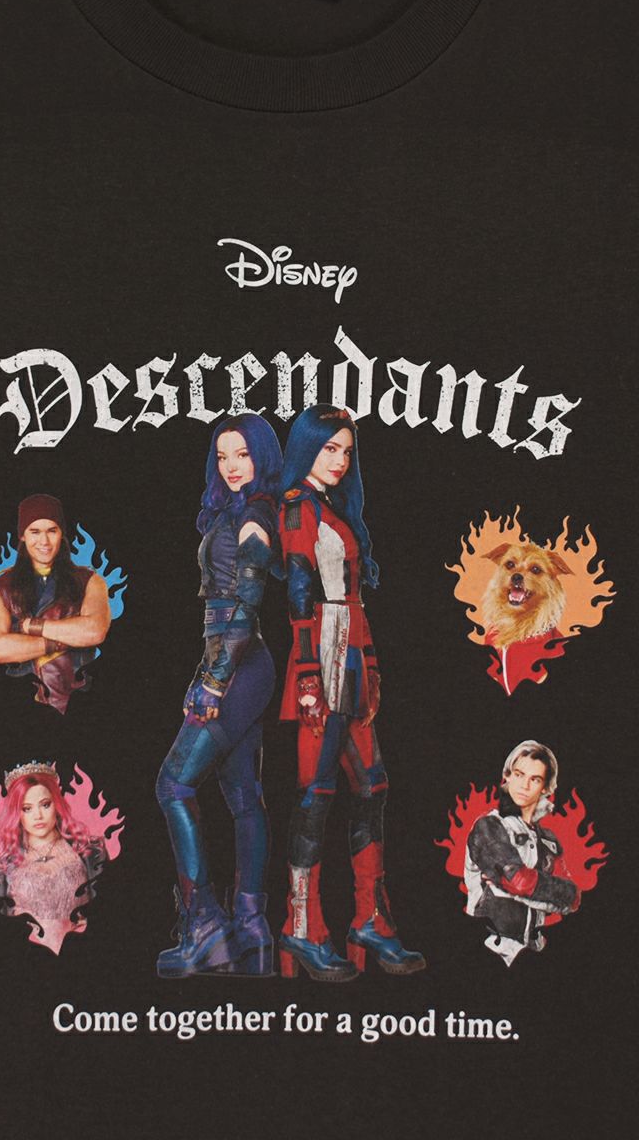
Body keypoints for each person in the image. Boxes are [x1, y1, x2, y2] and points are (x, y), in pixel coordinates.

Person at [276, 404, 424, 981]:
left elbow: (353, 599)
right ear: (305, 448)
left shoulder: (334, 508)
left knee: (372, 787)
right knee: (315, 794)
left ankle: (370, 919)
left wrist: (372, 664)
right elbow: (298, 594)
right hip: (321, 656)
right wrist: (308, 674)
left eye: (345, 450)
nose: (338, 460)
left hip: (353, 655)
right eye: (328, 448)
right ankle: (300, 925)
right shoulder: (298, 508)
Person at [154, 413, 283, 978]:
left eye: (243, 455)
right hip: (240, 662)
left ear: (262, 458)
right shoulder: (241, 511)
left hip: (237, 665)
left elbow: (246, 603)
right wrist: (209, 671)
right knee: (243, 798)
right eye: (223, 455)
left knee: (173, 785)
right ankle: (251, 929)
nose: (232, 466)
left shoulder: (254, 516)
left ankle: (205, 927)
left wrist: (212, 681)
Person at [0, 493, 112, 713]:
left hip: (83, 698)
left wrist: (30, 627)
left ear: (61, 534)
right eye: (35, 532)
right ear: (22, 536)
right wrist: (66, 639)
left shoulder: (90, 581)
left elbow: (94, 631)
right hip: (19, 702)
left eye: (52, 531)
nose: (44, 541)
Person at [464, 742, 581, 967]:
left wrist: (536, 887)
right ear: (507, 776)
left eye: (535, 779)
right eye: (518, 774)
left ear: (545, 788)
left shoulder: (549, 840)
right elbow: (518, 881)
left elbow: (573, 896)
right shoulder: (488, 826)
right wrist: (545, 891)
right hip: (491, 949)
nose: (524, 785)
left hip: (536, 948)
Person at [0, 762, 108, 955]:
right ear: (17, 813)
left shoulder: (90, 852)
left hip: (85, 951)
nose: (38, 816)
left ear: (56, 805)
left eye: (45, 805)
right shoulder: (1, 867)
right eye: (27, 808)